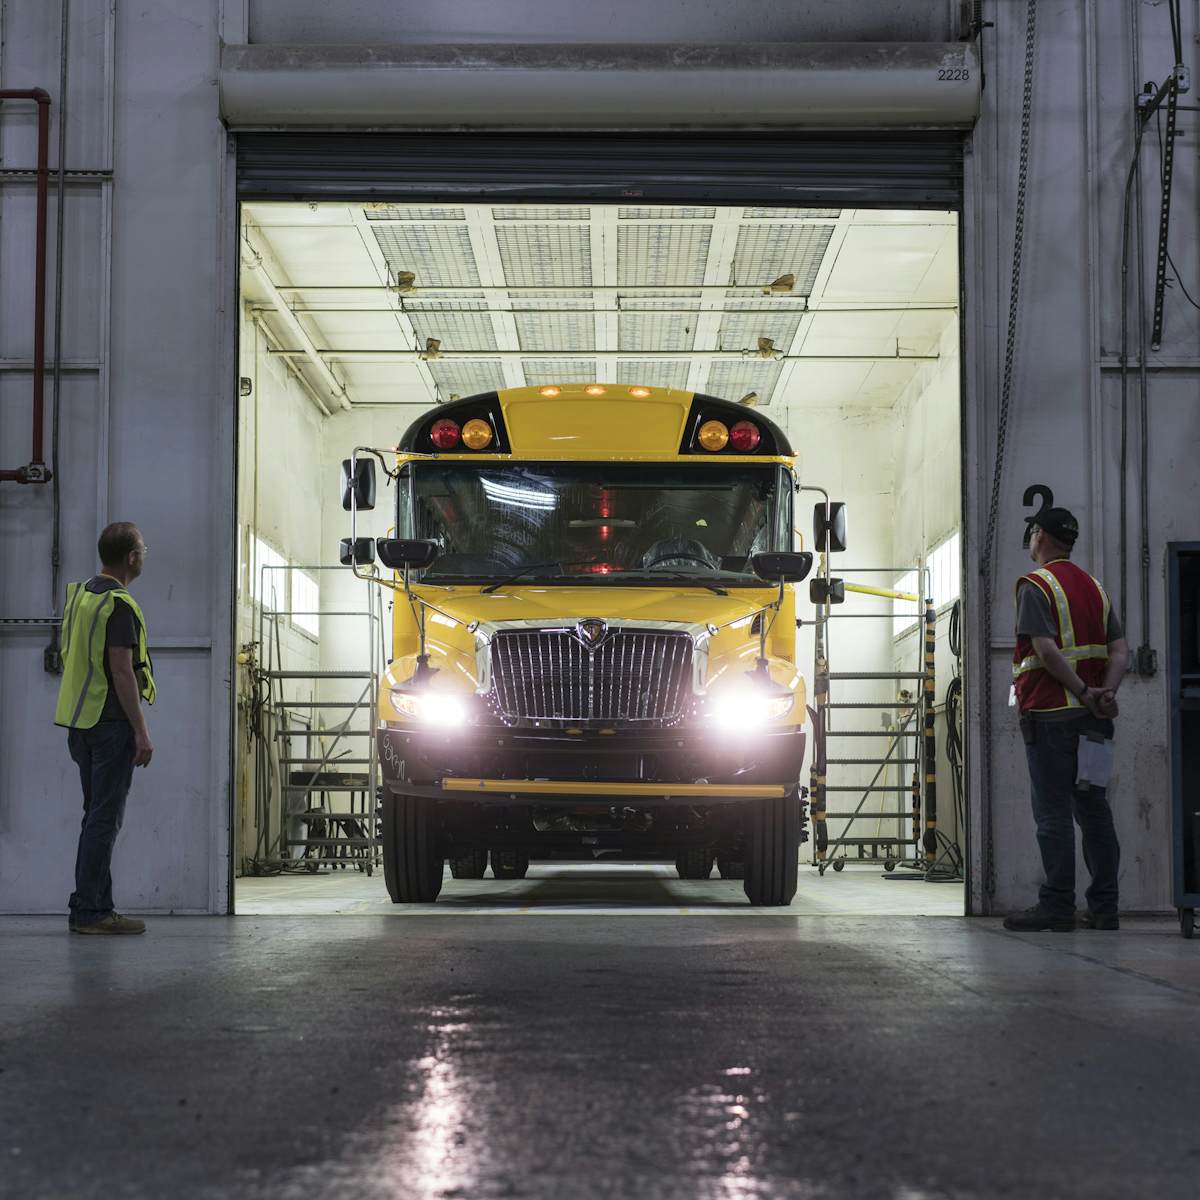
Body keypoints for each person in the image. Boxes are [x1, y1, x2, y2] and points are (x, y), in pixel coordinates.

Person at [1004, 507, 1128, 933]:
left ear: (1040, 536)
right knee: (1094, 810)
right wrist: (1104, 694)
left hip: (1052, 715)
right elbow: (1120, 651)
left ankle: (1057, 907)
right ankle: (1105, 908)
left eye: (1033, 532)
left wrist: (1078, 691)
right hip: (1095, 720)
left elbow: (1046, 649)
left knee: (1053, 812)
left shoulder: (1035, 586)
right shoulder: (1095, 588)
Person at [54, 522, 156, 934]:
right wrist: (142, 731)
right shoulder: (118, 604)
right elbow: (121, 670)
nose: (145, 554)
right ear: (131, 557)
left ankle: (95, 905)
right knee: (103, 818)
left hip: (79, 723)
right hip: (110, 722)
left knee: (94, 816)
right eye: (143, 548)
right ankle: (91, 912)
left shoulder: (81, 597)